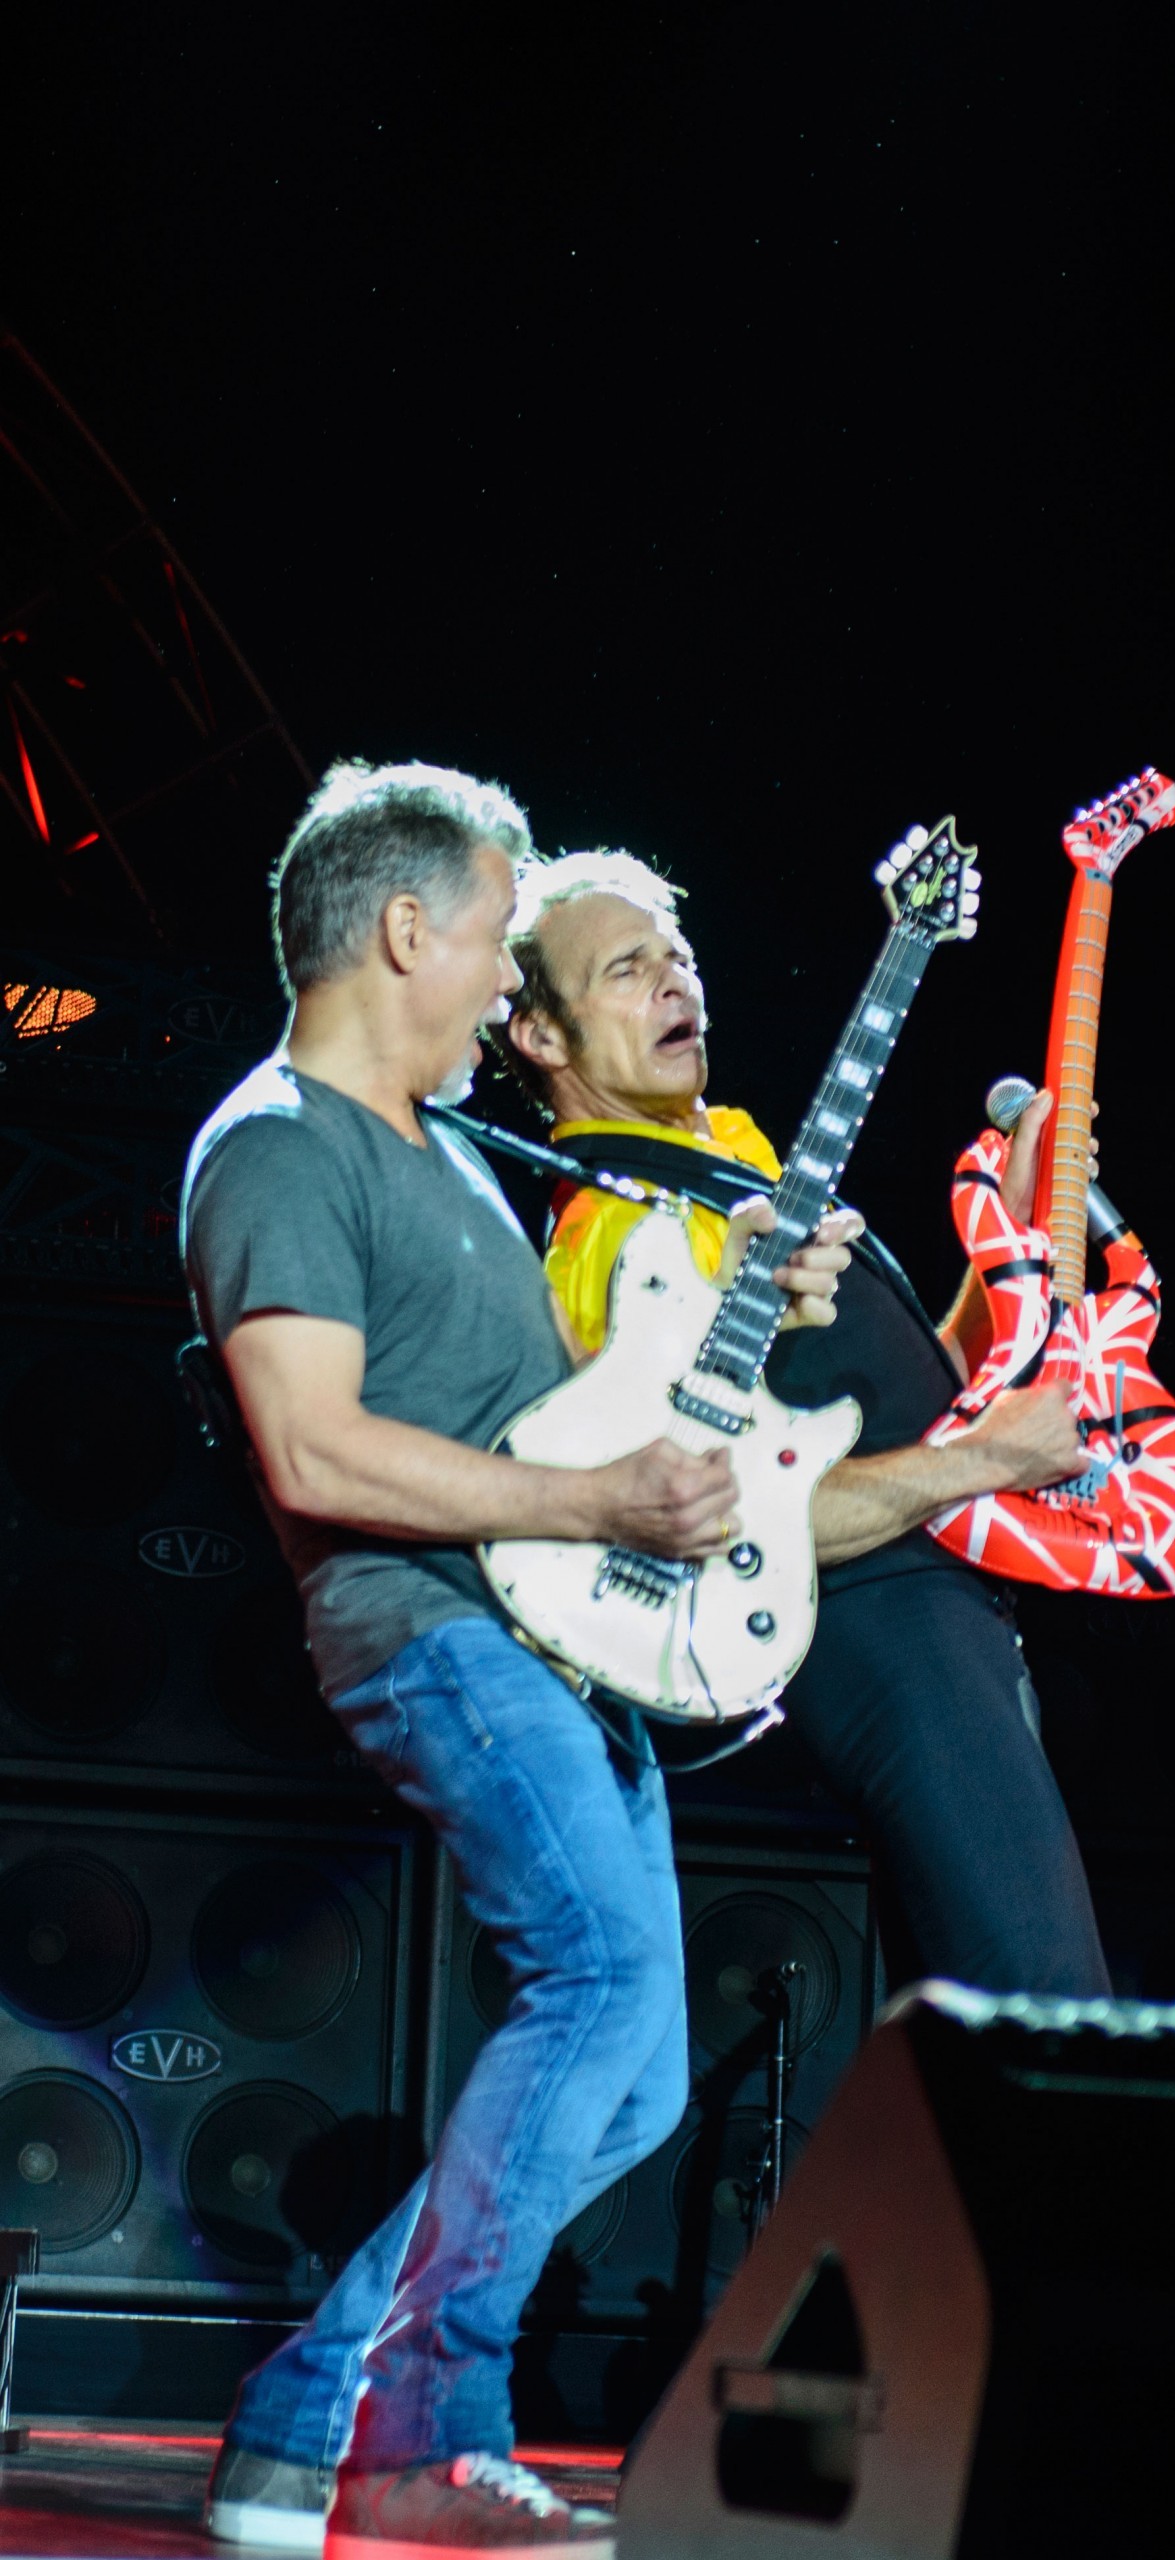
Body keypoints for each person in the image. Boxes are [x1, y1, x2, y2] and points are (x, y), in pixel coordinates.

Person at [185, 762, 853, 2559]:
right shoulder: (280, 1148)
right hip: (432, 1631)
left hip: (557, 1638)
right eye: (494, 943)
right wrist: (603, 1493)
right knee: (605, 1989)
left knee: (633, 2080)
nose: (507, 988)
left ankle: (302, 2415)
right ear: (405, 931)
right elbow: (313, 1452)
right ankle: (424, 2432)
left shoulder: (456, 1154)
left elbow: (566, 1379)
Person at [496, 848, 1112, 2001]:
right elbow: (723, 1513)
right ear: (539, 1033)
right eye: (630, 969)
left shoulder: (723, 1158)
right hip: (882, 1643)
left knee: (986, 2050)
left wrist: (1005, 1252)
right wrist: (988, 1460)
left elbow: (874, 1408)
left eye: (679, 956)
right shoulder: (612, 1241)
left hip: (951, 1629)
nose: (678, 983)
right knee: (1049, 2015)